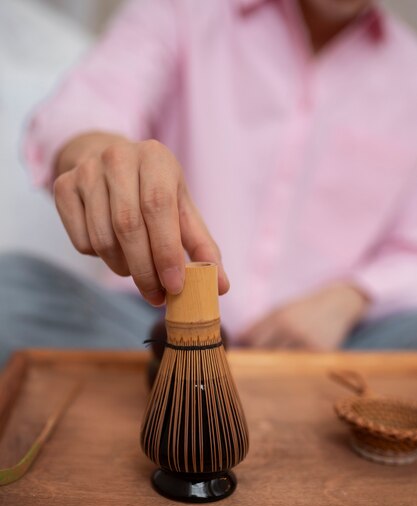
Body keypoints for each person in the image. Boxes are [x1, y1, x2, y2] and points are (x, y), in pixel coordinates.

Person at [2, 0, 417, 365]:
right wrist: (99, 154)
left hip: (334, 345)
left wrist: (353, 297)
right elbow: (90, 104)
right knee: (9, 292)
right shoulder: (182, 10)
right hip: (151, 331)